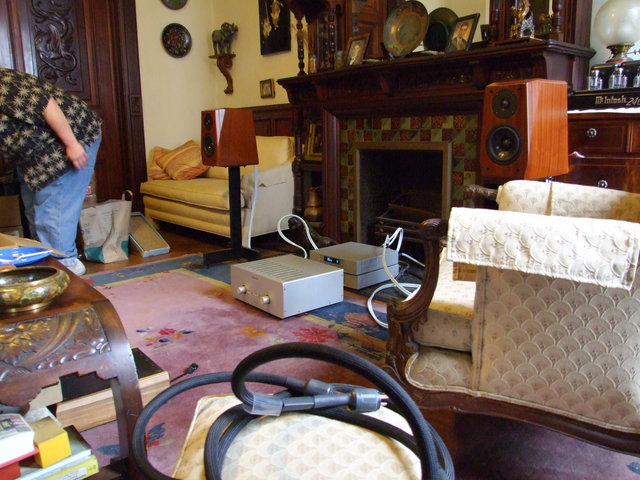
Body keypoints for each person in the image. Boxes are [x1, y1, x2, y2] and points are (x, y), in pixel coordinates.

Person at [0, 68, 102, 275]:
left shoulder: (2, 84)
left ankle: (65, 268)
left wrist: (72, 144)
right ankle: (48, 266)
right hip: (34, 155)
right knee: (34, 211)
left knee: (53, 213)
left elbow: (46, 104)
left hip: (65, 142)